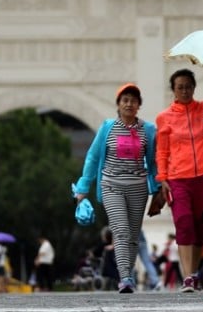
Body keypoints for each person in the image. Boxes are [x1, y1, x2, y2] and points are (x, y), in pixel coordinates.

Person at [74, 82, 164, 294]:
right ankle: (125, 277)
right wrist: (83, 186)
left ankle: (128, 274)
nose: (129, 104)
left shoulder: (149, 130)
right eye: (125, 100)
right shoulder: (107, 128)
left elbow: (153, 163)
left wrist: (158, 189)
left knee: (132, 235)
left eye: (133, 101)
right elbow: (93, 157)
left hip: (138, 188)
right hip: (111, 185)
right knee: (120, 230)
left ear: (139, 105)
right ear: (118, 104)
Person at [155, 68, 203, 293]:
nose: (185, 90)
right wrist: (162, 179)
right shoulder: (164, 117)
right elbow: (162, 152)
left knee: (199, 228)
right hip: (178, 179)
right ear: (173, 90)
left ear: (194, 87)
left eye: (188, 86)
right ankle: (187, 278)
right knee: (183, 223)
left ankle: (192, 272)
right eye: (180, 87)